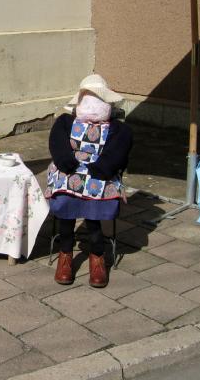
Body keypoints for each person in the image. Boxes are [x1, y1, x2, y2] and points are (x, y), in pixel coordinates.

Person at [46, 74, 132, 287]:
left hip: (101, 169)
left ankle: (97, 254)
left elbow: (118, 151)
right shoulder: (65, 122)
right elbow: (57, 144)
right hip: (70, 167)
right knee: (65, 189)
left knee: (95, 197)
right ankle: (65, 252)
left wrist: (102, 168)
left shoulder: (118, 128)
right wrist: (67, 162)